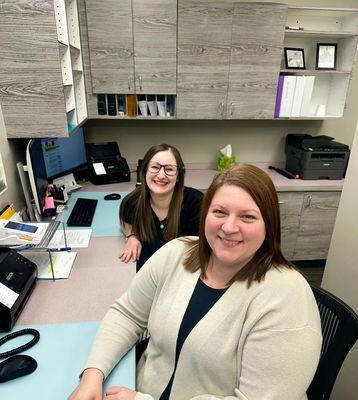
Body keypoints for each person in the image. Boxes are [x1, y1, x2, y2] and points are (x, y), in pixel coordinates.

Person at [68, 163, 322, 400]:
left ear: (269, 224)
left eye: (247, 217)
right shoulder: (176, 253)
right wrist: (92, 375)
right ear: (205, 215)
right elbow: (128, 314)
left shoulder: (287, 296)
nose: (229, 227)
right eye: (220, 212)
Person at [119, 143, 203, 270]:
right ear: (145, 170)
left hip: (183, 272)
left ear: (179, 175)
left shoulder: (196, 203)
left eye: (169, 169)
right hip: (148, 274)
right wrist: (131, 236)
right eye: (155, 167)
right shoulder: (133, 201)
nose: (161, 175)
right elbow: (125, 220)